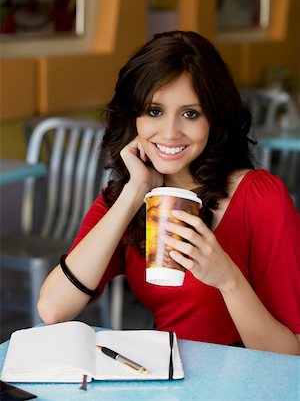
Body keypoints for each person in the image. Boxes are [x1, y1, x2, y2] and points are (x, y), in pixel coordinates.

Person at [38, 31, 300, 355]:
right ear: (134, 116)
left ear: (214, 119)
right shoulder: (125, 195)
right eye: (154, 110)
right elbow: (53, 308)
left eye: (190, 113)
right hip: (166, 376)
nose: (170, 132)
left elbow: (290, 356)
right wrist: (136, 191)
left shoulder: (260, 199)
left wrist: (228, 279)